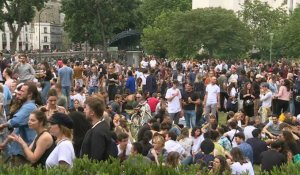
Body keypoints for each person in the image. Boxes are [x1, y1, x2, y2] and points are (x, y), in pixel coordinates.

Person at [0, 82, 41, 164]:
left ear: (29, 94)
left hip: (23, 152)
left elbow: (15, 122)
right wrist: (5, 143)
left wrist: (3, 125)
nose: (19, 92)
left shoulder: (29, 107)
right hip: (18, 150)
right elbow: (17, 129)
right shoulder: (26, 106)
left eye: (22, 91)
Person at [80, 95, 116, 161]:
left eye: (86, 108)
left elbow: (96, 158)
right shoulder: (102, 127)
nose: (84, 110)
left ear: (92, 113)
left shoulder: (98, 132)